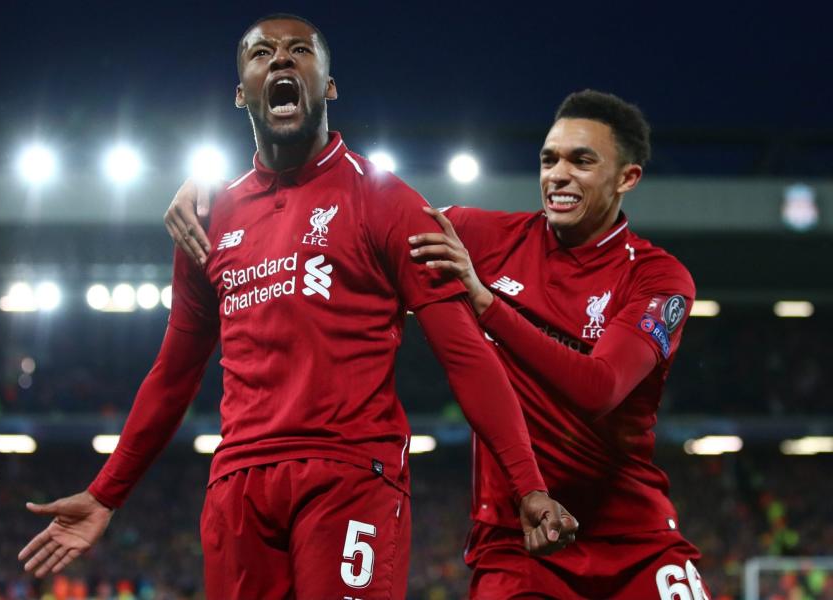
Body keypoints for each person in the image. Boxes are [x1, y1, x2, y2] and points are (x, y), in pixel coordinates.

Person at [18, 14, 576, 600]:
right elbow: (174, 372)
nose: (281, 60)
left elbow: (465, 354)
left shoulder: (386, 202)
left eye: (299, 51)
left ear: (328, 85)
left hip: (350, 476)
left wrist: (528, 485)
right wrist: (108, 491)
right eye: (262, 55)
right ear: (241, 93)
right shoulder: (207, 220)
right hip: (237, 486)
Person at [166, 90, 711, 599]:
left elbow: (600, 387)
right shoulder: (484, 236)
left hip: (635, 540)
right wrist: (229, 195)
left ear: (627, 177)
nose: (558, 175)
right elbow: (353, 212)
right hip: (517, 541)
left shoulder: (659, 280)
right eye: (549, 160)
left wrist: (486, 304)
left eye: (581, 161)